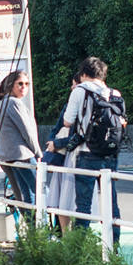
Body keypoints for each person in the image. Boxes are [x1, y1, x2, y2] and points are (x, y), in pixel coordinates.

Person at [52, 57, 124, 245]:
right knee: (111, 203)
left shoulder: (80, 91)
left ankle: (79, 247)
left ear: (84, 74)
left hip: (86, 152)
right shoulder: (114, 93)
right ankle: (114, 248)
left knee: (82, 204)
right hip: (110, 154)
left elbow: (68, 121)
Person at [0, 69, 39, 219]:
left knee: (25, 194)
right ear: (11, 85)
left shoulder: (0, 103)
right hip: (22, 155)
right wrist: (38, 153)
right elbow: (27, 132)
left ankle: (32, 230)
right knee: (40, 191)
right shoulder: (13, 103)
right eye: (20, 84)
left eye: (27, 84)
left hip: (8, 156)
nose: (24, 87)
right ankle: (40, 229)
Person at [43, 74, 80, 231]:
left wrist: (57, 143)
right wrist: (53, 143)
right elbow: (57, 128)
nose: (72, 88)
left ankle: (71, 238)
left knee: (72, 200)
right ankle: (65, 236)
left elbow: (79, 136)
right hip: (62, 156)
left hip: (74, 157)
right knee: (61, 198)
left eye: (74, 85)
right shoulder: (68, 106)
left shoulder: (87, 108)